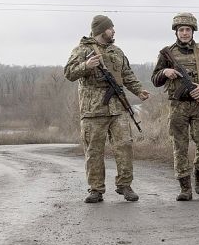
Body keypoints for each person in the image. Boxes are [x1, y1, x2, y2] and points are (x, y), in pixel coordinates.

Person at [64, 15, 150, 203]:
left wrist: (139, 90)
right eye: (111, 28)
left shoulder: (117, 51)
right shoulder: (82, 50)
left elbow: (127, 74)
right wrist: (86, 65)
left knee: (125, 146)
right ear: (102, 30)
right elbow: (69, 72)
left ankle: (125, 185)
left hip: (118, 108)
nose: (114, 31)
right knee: (94, 151)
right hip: (93, 110)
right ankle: (96, 189)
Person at [151, 12, 199, 201]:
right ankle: (184, 187)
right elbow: (155, 79)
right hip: (177, 107)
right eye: (181, 30)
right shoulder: (167, 52)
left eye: (187, 30)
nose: (184, 33)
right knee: (179, 147)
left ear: (193, 31)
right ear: (176, 32)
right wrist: (165, 71)